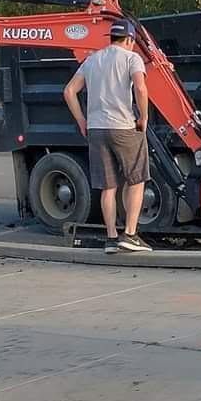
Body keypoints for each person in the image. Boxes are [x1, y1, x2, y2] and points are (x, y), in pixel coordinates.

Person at [64, 20, 153, 254]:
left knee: (108, 186)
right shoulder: (131, 58)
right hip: (123, 127)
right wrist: (143, 117)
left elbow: (69, 91)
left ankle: (112, 238)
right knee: (136, 180)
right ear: (130, 40)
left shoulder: (92, 60)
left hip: (96, 129)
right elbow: (141, 88)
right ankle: (131, 235)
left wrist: (82, 121)